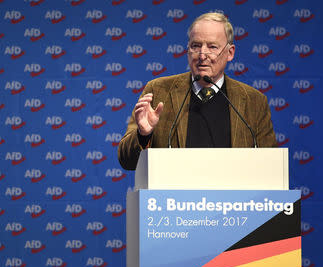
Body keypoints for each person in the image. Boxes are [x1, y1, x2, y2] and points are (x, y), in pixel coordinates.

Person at [118, 12, 277, 171]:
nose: (202, 55)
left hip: (233, 196)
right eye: (196, 46)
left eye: (212, 47)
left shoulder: (254, 102)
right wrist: (143, 134)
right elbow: (126, 161)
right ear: (188, 50)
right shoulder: (158, 90)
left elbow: (270, 168)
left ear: (230, 53)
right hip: (174, 196)